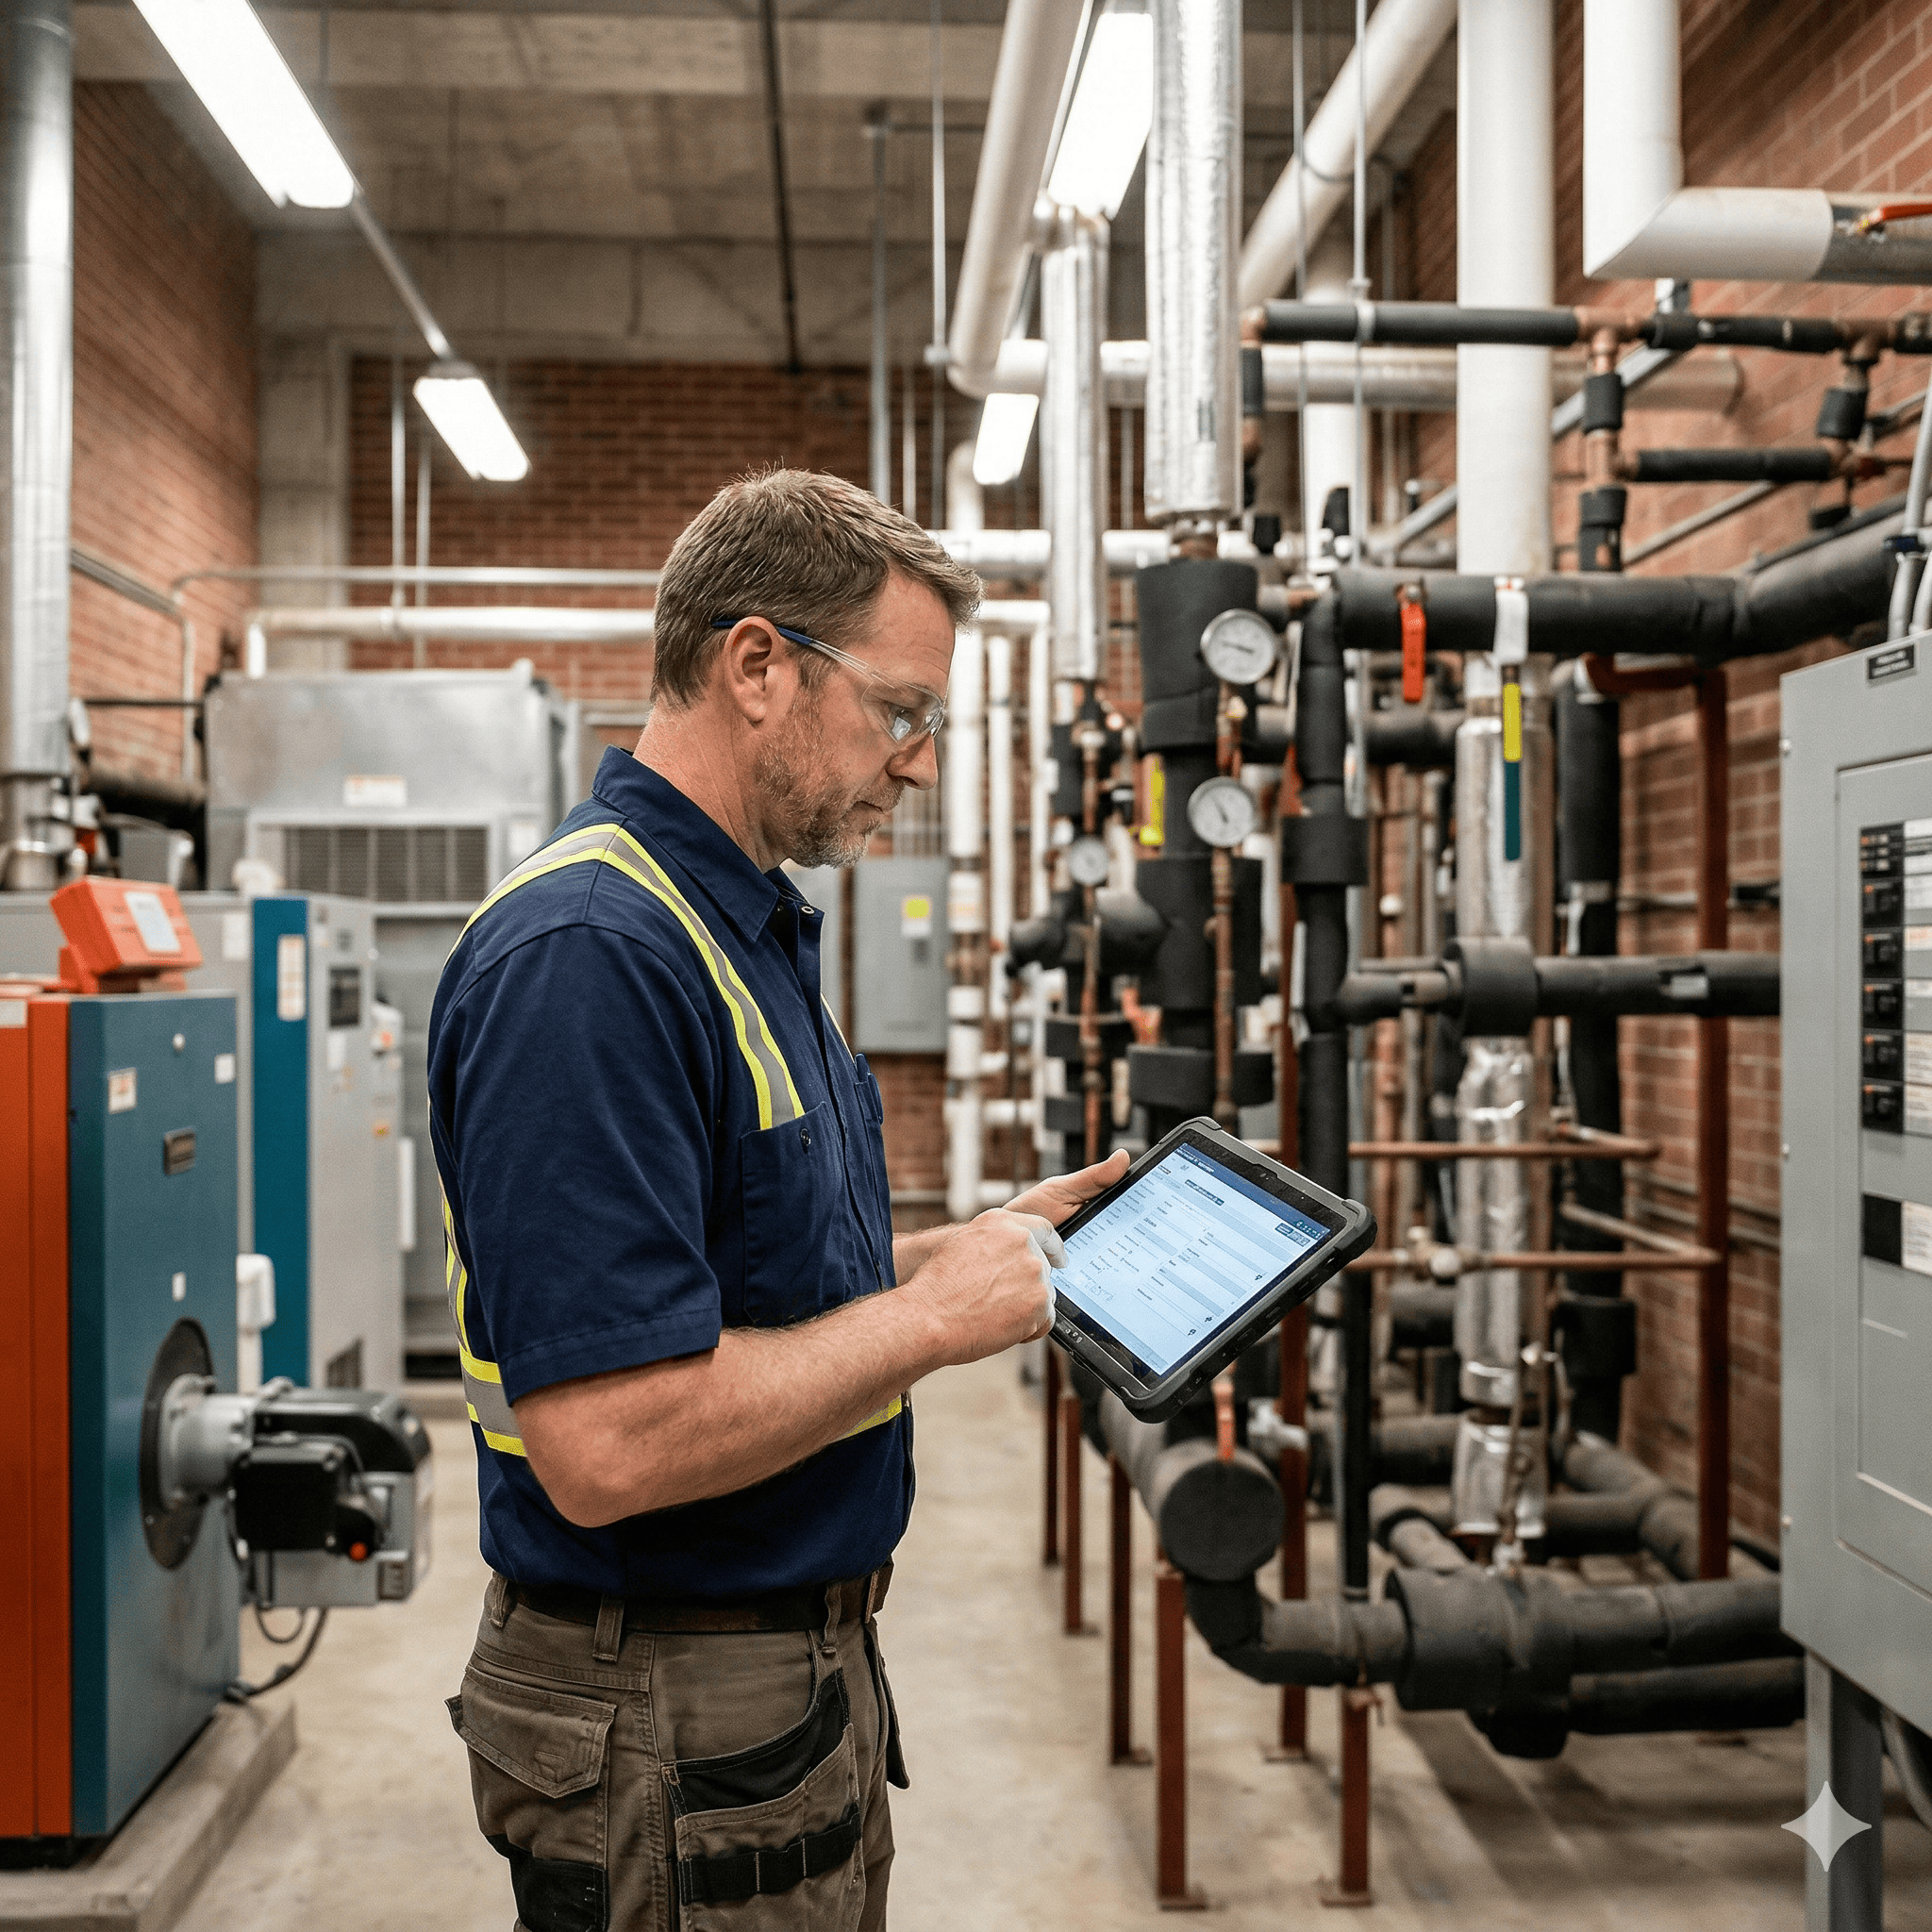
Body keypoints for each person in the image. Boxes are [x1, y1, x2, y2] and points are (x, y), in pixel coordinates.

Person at [429, 467, 1127, 1932]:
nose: (919, 762)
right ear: (757, 666)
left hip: (764, 1694)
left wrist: (965, 1251)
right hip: (664, 1710)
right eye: (900, 710)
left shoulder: (732, 922)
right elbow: (607, 1442)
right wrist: (934, 1322)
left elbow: (752, 1258)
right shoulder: (591, 953)